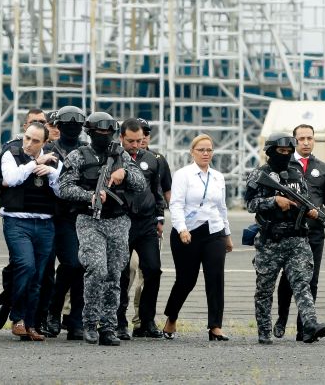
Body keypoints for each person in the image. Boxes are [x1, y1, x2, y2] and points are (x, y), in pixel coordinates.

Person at [58, 112, 146, 346]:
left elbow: (140, 183)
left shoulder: (121, 155)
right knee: (96, 269)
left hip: (118, 221)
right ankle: (89, 322)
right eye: (100, 133)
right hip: (89, 220)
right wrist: (90, 195)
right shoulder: (78, 156)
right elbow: (63, 187)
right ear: (89, 132)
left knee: (115, 274)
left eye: (108, 133)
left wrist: (124, 173)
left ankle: (108, 326)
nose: (104, 137)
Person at [245, 133, 325, 345]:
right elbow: (250, 204)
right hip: (270, 241)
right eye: (280, 152)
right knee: (264, 289)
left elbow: (304, 199)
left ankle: (310, 323)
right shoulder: (259, 174)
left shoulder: (296, 174)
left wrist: (310, 212)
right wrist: (274, 200)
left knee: (303, 283)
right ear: (270, 152)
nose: (284, 155)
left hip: (297, 240)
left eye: (287, 152)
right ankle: (264, 332)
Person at [273, 124, 325, 341]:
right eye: (301, 139)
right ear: (294, 141)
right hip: (290, 232)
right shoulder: (282, 166)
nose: (306, 142)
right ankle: (281, 319)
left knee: (311, 280)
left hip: (315, 233)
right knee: (288, 279)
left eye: (310, 138)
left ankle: (305, 328)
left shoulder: (323, 168)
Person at [163, 134, 232, 341]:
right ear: (192, 152)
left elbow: (222, 207)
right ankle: (171, 318)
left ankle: (215, 326)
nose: (205, 153)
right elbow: (175, 204)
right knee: (186, 280)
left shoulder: (218, 176)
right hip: (188, 233)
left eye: (209, 150)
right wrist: (182, 228)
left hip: (214, 232)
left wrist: (226, 234)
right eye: (201, 150)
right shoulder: (183, 175)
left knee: (215, 277)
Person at [0, 122, 61, 341]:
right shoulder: (11, 154)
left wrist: (52, 172)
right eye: (27, 138)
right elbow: (12, 179)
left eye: (35, 141)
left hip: (45, 224)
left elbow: (63, 192)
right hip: (17, 222)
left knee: (39, 276)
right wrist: (34, 163)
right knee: (26, 266)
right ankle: (17, 317)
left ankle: (31, 323)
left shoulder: (54, 159)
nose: (28, 143)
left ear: (45, 142)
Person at [115, 119, 164, 340]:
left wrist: (159, 217)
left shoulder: (152, 159)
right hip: (122, 221)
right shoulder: (113, 158)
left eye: (139, 140)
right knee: (122, 273)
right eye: (130, 141)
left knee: (153, 269)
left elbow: (157, 191)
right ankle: (118, 322)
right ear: (121, 138)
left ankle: (147, 320)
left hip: (146, 224)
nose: (136, 145)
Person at [44, 105, 89, 339]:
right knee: (70, 264)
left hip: (81, 214)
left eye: (77, 124)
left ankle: (75, 320)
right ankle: (53, 310)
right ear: (58, 126)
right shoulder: (49, 150)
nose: (72, 128)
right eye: (67, 124)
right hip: (55, 216)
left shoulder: (87, 151)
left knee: (81, 266)